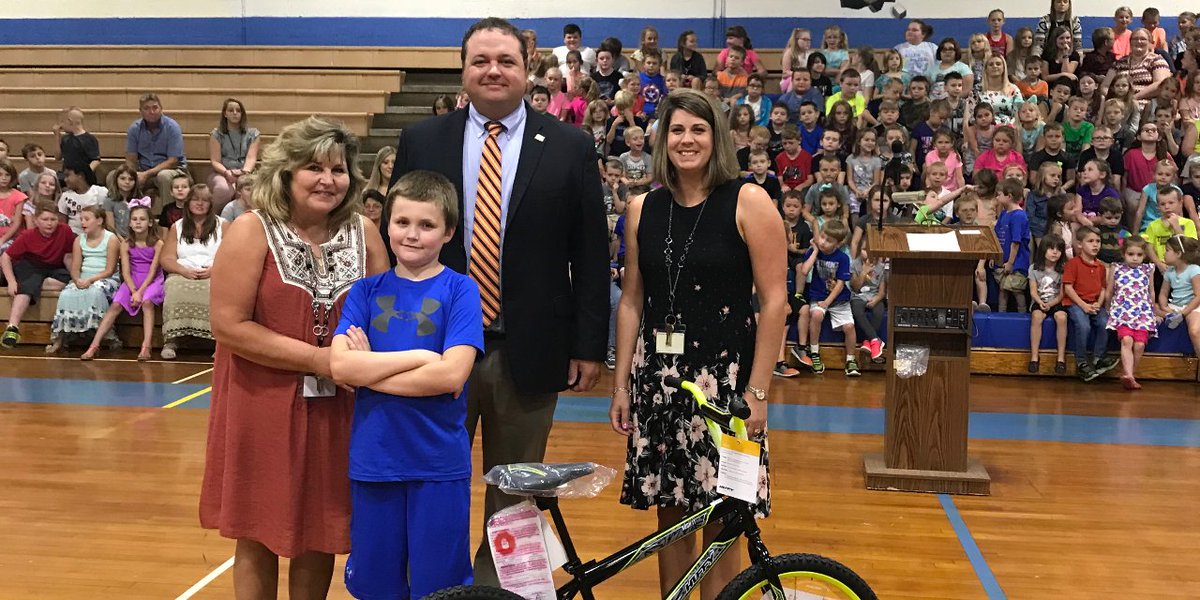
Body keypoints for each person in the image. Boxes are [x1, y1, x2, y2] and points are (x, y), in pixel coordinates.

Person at [386, 18, 608, 585]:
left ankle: (498, 592)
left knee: (514, 494)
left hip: (528, 349)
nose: (493, 70)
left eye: (506, 60)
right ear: (463, 69)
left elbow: (589, 251)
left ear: (527, 68)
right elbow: (398, 244)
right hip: (433, 350)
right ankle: (435, 589)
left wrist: (588, 345)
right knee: (433, 481)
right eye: (480, 60)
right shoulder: (422, 140)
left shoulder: (570, 146)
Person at [200, 116, 389, 599]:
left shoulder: (365, 232)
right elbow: (228, 325)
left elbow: (386, 318)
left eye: (338, 169)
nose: (328, 180)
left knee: (321, 527)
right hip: (260, 400)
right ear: (286, 172)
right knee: (258, 529)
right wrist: (320, 360)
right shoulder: (251, 230)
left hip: (338, 405)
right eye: (314, 168)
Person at [609, 87, 784, 598]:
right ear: (663, 139)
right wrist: (621, 385)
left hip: (727, 385)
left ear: (717, 138)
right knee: (671, 514)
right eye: (677, 129)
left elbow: (775, 301)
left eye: (699, 129)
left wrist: (758, 392)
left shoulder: (748, 200)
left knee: (726, 514)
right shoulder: (642, 208)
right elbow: (631, 301)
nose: (687, 140)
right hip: (660, 381)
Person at [328, 170, 482, 598]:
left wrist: (370, 372)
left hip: (438, 463)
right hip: (375, 460)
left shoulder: (461, 290)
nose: (412, 234)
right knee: (376, 584)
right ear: (387, 225)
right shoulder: (364, 291)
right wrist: (420, 359)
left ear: (448, 232)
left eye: (427, 224)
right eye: (402, 222)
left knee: (441, 585)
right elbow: (340, 367)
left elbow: (451, 375)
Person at [81, 201, 163, 361]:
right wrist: (133, 290)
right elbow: (125, 271)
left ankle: (146, 346)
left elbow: (153, 271)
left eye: (142, 219)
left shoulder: (158, 244)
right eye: (134, 219)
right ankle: (94, 345)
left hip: (151, 281)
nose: (138, 222)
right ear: (130, 223)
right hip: (132, 280)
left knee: (147, 302)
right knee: (116, 304)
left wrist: (140, 292)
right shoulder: (125, 244)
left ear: (150, 222)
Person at [158, 184, 224, 360]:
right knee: (173, 286)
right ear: (188, 203)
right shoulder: (177, 226)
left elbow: (233, 256)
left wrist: (214, 270)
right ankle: (171, 340)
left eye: (205, 200)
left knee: (216, 289)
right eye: (195, 199)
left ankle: (220, 343)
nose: (200, 203)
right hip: (183, 272)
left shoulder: (223, 225)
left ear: (211, 204)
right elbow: (166, 258)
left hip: (214, 272)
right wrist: (183, 270)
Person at [46, 205, 119, 353]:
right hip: (84, 278)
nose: (82, 222)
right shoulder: (79, 240)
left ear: (99, 221)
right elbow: (75, 268)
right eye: (81, 219)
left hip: (106, 278)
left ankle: (103, 337)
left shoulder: (111, 239)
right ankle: (61, 338)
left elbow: (110, 270)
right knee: (66, 293)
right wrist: (77, 279)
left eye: (87, 219)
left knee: (96, 291)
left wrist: (91, 280)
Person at [0, 203, 74, 348]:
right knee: (28, 285)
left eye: (53, 219)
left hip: (53, 267)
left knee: (66, 279)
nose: (49, 223)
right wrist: (11, 281)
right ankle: (12, 328)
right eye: (45, 219)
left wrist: (75, 276)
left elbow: (68, 256)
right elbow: (5, 257)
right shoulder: (27, 236)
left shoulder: (65, 230)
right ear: (36, 220)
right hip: (29, 265)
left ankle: (34, 284)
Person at [1063, 226, 1119, 381]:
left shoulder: (1100, 266)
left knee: (1105, 322)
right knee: (1083, 325)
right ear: (1079, 244)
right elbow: (1068, 288)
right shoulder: (1073, 264)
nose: (1095, 245)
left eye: (1098, 241)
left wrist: (1098, 303)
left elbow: (1103, 288)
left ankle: (1098, 358)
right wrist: (1083, 305)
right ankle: (1081, 362)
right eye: (1091, 241)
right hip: (1076, 303)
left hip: (1094, 303)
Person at [122, 93, 188, 217]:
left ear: (161, 109)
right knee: (115, 177)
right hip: (144, 169)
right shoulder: (134, 129)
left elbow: (173, 160)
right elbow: (131, 159)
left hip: (172, 169)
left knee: (164, 176)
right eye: (146, 108)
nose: (151, 112)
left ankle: (168, 218)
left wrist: (147, 174)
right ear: (140, 111)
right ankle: (125, 217)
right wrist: (132, 175)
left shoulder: (172, 127)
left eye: (155, 107)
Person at [1106, 236, 1157, 390]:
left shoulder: (1148, 269)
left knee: (1140, 345)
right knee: (1127, 340)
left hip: (1143, 312)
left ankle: (1130, 374)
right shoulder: (1116, 268)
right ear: (1123, 254)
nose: (1135, 258)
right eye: (1131, 254)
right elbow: (1110, 290)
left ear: (1144, 255)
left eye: (1139, 255)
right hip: (1123, 311)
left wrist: (1153, 311)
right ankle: (1129, 375)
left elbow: (1151, 291)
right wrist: (1108, 308)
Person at [208, 98, 260, 212]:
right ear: (225, 114)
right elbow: (215, 161)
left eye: (238, 110)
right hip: (222, 173)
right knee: (223, 189)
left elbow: (251, 158)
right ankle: (214, 219)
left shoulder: (253, 134)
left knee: (249, 189)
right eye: (231, 110)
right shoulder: (216, 134)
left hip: (246, 173)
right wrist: (227, 173)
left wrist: (243, 173)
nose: (235, 113)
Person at [1028, 233, 1069, 374]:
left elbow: (1062, 294)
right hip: (1039, 301)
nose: (1055, 252)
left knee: (1062, 317)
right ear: (1043, 250)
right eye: (1051, 248)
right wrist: (1040, 302)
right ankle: (1034, 357)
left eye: (1058, 249)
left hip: (1056, 302)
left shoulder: (1064, 269)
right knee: (1036, 317)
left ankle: (1061, 359)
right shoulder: (1034, 268)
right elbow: (1033, 291)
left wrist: (1051, 304)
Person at [1104, 29, 1172, 111]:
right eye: (1135, 39)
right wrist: (1114, 100)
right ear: (1130, 42)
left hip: (1145, 108)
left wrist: (1133, 98)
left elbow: (1161, 85)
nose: (1139, 41)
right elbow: (1105, 86)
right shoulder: (1119, 63)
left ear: (1150, 43)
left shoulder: (1157, 60)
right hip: (1118, 108)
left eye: (1143, 39)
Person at [54, 107, 101, 174]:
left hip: (82, 176)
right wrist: (57, 136)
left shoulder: (89, 138)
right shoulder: (65, 138)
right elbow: (57, 157)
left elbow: (95, 160)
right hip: (67, 175)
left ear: (70, 122)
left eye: (62, 121)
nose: (60, 125)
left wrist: (86, 173)